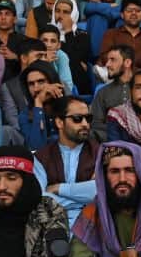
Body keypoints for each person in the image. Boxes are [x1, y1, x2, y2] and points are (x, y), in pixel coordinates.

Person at [34, 94, 101, 231]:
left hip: (92, 224)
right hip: (52, 225)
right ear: (59, 123)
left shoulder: (100, 153)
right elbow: (39, 198)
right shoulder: (41, 157)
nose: (85, 124)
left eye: (88, 119)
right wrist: (82, 198)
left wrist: (59, 189)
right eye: (77, 119)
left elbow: (101, 191)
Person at [96, 0, 141, 72]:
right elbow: (105, 57)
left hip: (140, 80)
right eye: (129, 11)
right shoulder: (111, 34)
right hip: (115, 77)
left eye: (138, 11)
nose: (133, 13)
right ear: (122, 15)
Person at [91, 45, 133, 141]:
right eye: (108, 60)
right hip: (110, 140)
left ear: (127, 62)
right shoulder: (103, 92)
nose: (107, 64)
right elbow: (96, 123)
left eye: (113, 60)